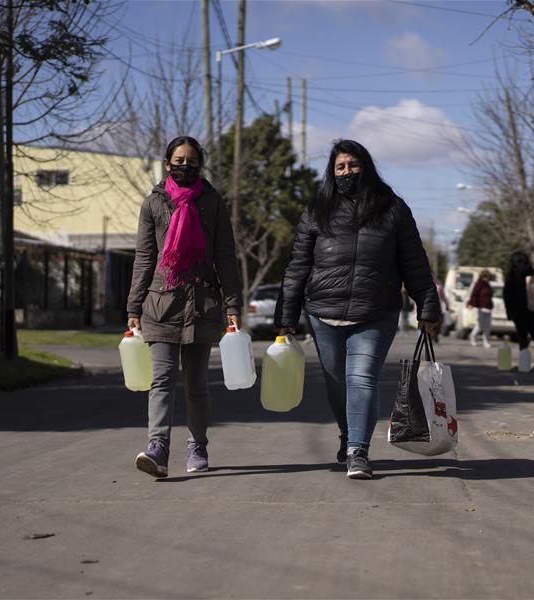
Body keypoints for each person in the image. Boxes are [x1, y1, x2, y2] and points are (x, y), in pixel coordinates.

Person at [275, 139, 440, 480]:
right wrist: (286, 316)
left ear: (365, 166)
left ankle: (358, 451)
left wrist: (427, 305)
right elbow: (298, 265)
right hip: (323, 312)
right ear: (332, 172)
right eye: (340, 167)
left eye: (352, 165)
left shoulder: (392, 208)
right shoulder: (317, 209)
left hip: (375, 312)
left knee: (361, 379)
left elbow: (414, 263)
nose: (347, 172)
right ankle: (348, 434)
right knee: (337, 384)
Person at [126, 136, 242, 478]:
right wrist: (134, 304)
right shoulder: (153, 204)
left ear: (200, 166)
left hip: (202, 303)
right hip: (161, 303)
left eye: (192, 162)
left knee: (196, 383)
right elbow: (145, 257)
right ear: (167, 164)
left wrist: (232, 302)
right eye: (179, 161)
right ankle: (157, 448)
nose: (185, 167)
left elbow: (225, 256)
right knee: (161, 379)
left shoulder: (213, 203)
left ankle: (197, 444)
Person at [503, 251, 534, 371]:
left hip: (519, 310)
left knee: (522, 335)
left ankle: (524, 363)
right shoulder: (532, 271)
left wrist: (508, 312)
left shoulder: (512, 274)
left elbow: (507, 294)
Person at [466, 270, 494, 348]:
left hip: (488, 307)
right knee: (480, 325)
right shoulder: (478, 284)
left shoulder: (488, 285)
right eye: (486, 277)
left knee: (488, 326)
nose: (487, 279)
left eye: (488, 277)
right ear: (482, 277)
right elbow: (473, 294)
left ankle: (486, 341)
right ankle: (472, 336)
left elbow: (490, 295)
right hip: (480, 307)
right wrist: (471, 304)